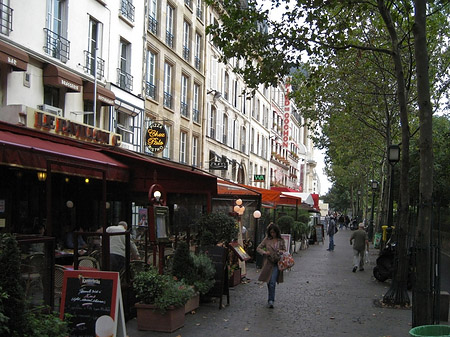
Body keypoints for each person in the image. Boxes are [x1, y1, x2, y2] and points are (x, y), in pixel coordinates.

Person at [256, 223, 286, 308]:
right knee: (269, 282)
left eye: (274, 232)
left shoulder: (281, 240)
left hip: (277, 263)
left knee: (272, 282)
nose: (272, 234)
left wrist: (281, 251)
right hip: (268, 263)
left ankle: (271, 300)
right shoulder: (267, 239)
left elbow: (285, 249)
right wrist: (265, 252)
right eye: (271, 232)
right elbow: (258, 248)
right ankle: (270, 297)